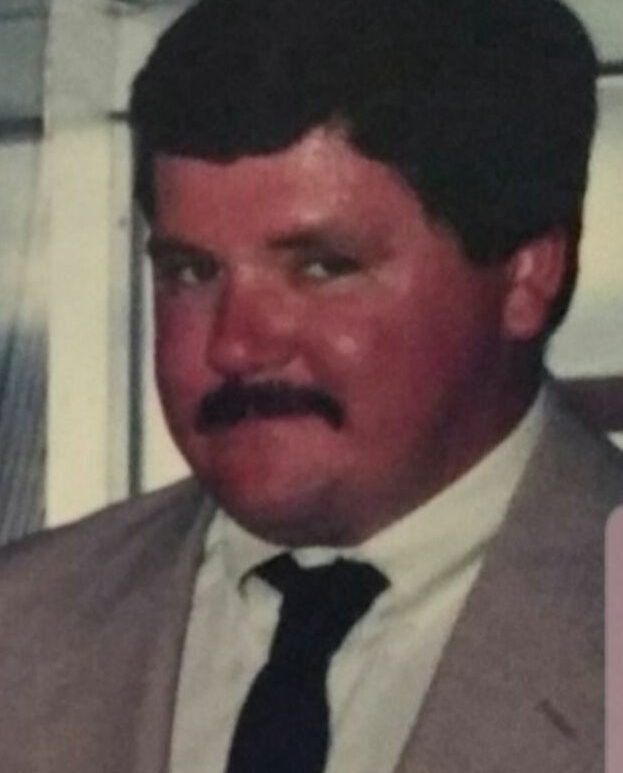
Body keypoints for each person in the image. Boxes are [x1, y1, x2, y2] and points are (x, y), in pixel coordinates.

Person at [2, 0, 622, 771]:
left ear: (526, 276)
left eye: (322, 267)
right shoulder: (21, 626)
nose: (234, 344)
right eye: (190, 272)